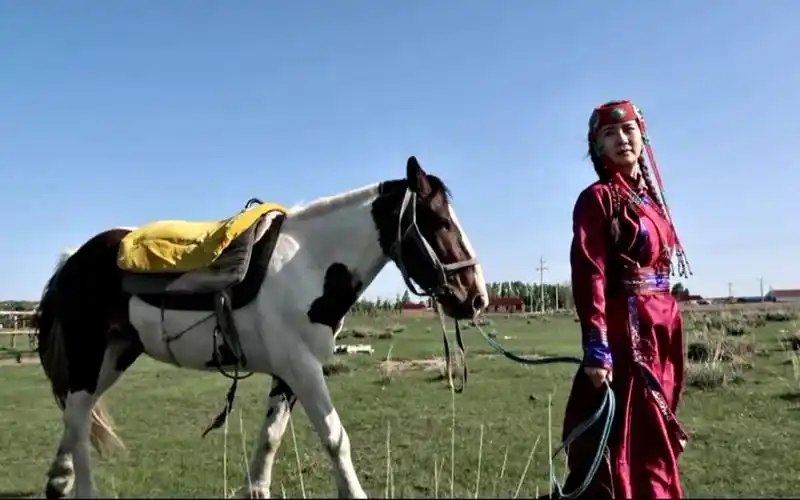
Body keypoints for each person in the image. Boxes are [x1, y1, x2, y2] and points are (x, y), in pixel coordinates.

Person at [559, 100, 692, 499]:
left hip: (663, 329)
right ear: (597, 147)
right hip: (627, 334)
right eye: (609, 134)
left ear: (642, 135)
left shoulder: (653, 203)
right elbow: (590, 272)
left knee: (654, 434)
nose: (621, 139)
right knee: (627, 431)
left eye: (629, 130)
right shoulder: (597, 199)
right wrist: (597, 347)